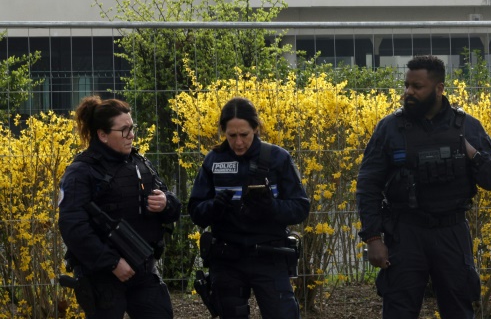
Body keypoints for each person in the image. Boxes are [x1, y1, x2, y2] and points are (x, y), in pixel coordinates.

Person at [356, 55, 491, 319]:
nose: (408, 92)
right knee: (398, 310)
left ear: (439, 89)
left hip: (451, 231)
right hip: (405, 233)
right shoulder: (390, 128)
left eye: (417, 87)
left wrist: (471, 153)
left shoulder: (466, 127)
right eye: (407, 86)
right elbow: (368, 185)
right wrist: (373, 238)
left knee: (459, 309)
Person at [58, 96, 181, 319]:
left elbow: (173, 205)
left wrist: (166, 202)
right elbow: (73, 227)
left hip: (143, 271)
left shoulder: (140, 163)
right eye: (124, 130)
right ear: (102, 135)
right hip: (103, 277)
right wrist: (112, 262)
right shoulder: (81, 172)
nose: (131, 135)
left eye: (132, 128)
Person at [188, 97, 310, 319]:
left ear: (256, 128)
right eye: (231, 135)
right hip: (227, 259)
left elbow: (300, 207)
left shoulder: (277, 157)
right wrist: (214, 207)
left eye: (244, 134)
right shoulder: (213, 160)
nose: (238, 142)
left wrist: (271, 207)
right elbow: (195, 210)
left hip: (269, 256)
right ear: (223, 131)